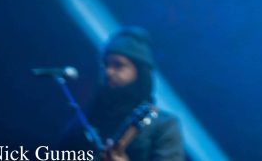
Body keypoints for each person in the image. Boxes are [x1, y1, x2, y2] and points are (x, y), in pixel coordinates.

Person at [59, 27, 184, 161]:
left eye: (118, 65)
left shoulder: (164, 125)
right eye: (106, 65)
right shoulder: (89, 115)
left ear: (140, 73)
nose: (108, 72)